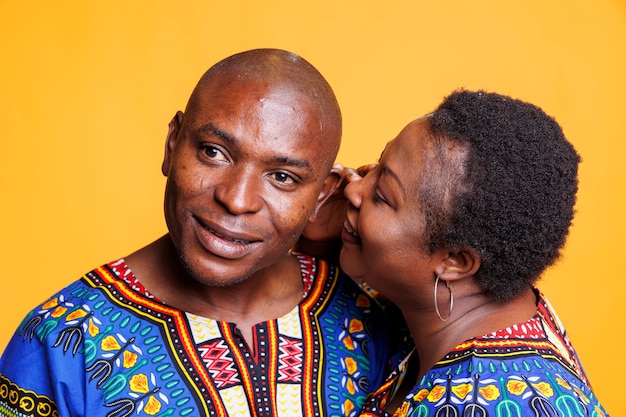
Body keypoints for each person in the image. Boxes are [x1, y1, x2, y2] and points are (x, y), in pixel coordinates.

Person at [0, 49, 406, 417]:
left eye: (282, 177)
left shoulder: (372, 316)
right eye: (214, 151)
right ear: (173, 143)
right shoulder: (61, 341)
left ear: (323, 194)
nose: (236, 199)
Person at [300, 90, 609, 416]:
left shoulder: (487, 404)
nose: (353, 187)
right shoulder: (503, 315)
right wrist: (320, 242)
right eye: (378, 164)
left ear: (454, 261)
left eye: (381, 195)